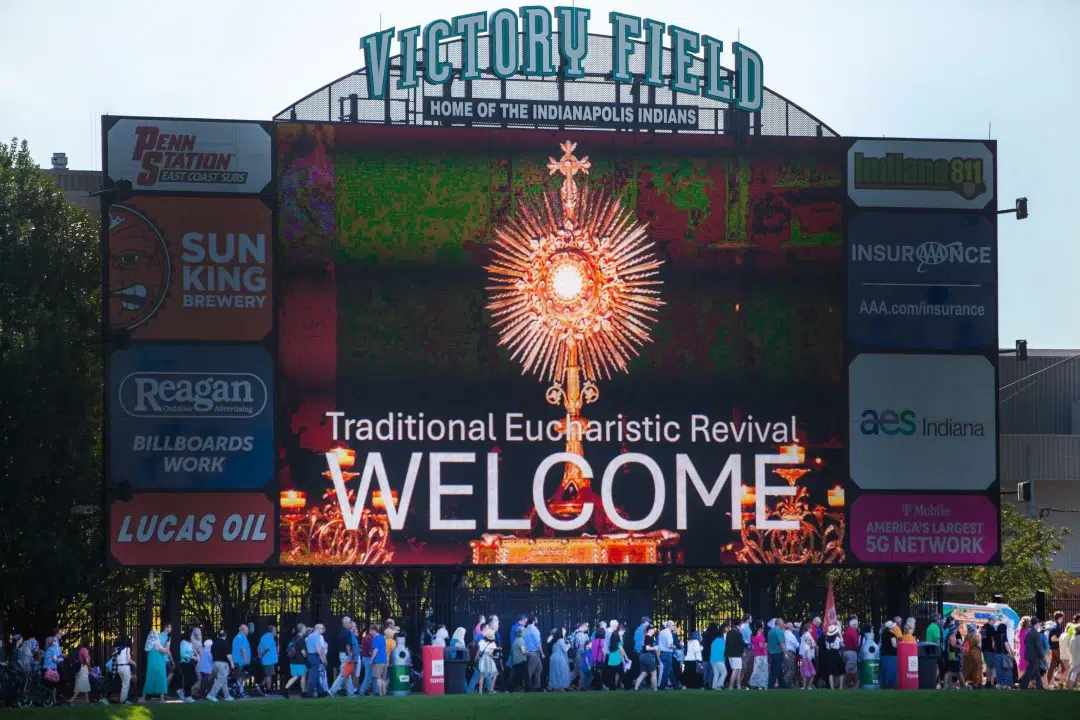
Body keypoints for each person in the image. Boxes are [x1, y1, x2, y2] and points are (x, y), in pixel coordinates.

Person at [142, 624, 170, 702]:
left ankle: (143, 698)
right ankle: (161, 699)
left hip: (151, 665)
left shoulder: (148, 647)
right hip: (160, 664)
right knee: (161, 680)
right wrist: (168, 645)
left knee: (149, 680)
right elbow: (166, 652)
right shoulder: (157, 645)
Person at [1019, 618, 1045, 689]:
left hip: (1029, 654)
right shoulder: (1036, 633)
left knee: (1036, 672)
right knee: (1030, 671)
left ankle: (1039, 686)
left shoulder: (1029, 632)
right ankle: (1023, 685)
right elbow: (1039, 646)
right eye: (1039, 623)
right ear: (1036, 624)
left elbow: (1025, 642)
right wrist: (1042, 656)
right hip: (1035, 655)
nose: (1039, 625)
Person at [178, 628, 200, 702]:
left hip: (191, 664)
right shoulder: (183, 642)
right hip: (185, 663)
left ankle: (183, 692)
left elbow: (193, 652)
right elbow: (182, 654)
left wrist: (196, 656)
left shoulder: (190, 643)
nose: (193, 636)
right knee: (188, 680)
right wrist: (192, 657)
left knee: (193, 679)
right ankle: (188, 696)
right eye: (192, 634)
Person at [634, 625, 659, 691]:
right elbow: (647, 648)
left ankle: (635, 688)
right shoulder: (649, 638)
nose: (654, 630)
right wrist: (655, 648)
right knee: (654, 673)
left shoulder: (644, 637)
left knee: (643, 673)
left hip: (642, 656)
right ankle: (655, 689)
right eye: (653, 629)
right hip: (648, 656)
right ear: (650, 630)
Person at [476, 627, 499, 694]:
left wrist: (476, 659)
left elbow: (478, 652)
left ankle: (480, 691)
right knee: (494, 675)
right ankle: (491, 689)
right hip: (490, 660)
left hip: (482, 659)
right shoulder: (493, 644)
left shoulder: (481, 642)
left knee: (482, 676)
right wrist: (495, 656)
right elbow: (492, 654)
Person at [767, 617, 787, 690]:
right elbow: (781, 643)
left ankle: (783, 685)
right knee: (776, 670)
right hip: (778, 653)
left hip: (771, 653)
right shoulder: (779, 631)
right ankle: (770, 685)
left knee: (778, 670)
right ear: (779, 624)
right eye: (782, 623)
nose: (784, 624)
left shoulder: (770, 631)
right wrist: (785, 653)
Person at [258, 625, 279, 695]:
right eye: (275, 630)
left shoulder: (265, 636)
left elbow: (259, 646)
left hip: (269, 659)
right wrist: (261, 655)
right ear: (272, 631)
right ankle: (268, 690)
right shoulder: (269, 637)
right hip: (268, 660)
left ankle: (261, 686)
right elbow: (267, 648)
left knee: (269, 675)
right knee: (268, 675)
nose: (276, 631)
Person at [725, 618, 746, 689]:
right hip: (736, 654)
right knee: (735, 670)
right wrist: (742, 652)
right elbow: (741, 644)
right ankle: (731, 686)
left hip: (730, 654)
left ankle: (738, 686)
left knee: (738, 669)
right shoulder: (738, 633)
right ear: (739, 623)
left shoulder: (729, 632)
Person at [115, 636, 136, 704]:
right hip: (125, 667)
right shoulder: (127, 649)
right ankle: (123, 700)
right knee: (126, 685)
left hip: (119, 668)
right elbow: (128, 660)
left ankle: (125, 699)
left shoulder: (117, 649)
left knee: (124, 684)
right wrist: (134, 663)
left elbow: (116, 660)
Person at [1047, 612, 1066, 686]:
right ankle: (1061, 680)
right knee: (1064, 667)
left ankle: (1048, 683)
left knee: (1052, 667)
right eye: (1062, 618)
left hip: (1052, 648)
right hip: (1056, 649)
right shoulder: (1057, 626)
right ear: (1060, 618)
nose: (1062, 620)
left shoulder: (1053, 625)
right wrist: (1061, 639)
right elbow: (1053, 638)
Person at [748, 623, 768, 689]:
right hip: (762, 654)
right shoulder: (760, 635)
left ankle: (754, 683)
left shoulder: (752, 635)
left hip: (757, 654)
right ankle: (761, 684)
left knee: (756, 669)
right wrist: (766, 645)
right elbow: (761, 646)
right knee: (762, 670)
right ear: (760, 627)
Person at [371, 627, 389, 697]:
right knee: (383, 678)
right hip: (384, 660)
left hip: (378, 660)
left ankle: (380, 693)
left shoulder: (375, 639)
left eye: (371, 630)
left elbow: (376, 650)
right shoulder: (382, 638)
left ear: (374, 630)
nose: (370, 632)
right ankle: (384, 692)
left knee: (378, 677)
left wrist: (371, 659)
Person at [710, 622, 728, 690]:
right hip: (719, 660)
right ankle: (719, 685)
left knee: (716, 674)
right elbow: (723, 651)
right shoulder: (722, 641)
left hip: (712, 660)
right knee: (724, 672)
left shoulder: (714, 641)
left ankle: (714, 686)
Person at [799, 622, 817, 690]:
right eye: (811, 628)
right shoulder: (808, 635)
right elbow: (813, 644)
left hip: (805, 657)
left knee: (806, 673)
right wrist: (812, 645)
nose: (812, 629)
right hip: (808, 657)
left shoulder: (804, 635)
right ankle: (808, 686)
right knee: (810, 673)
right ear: (808, 628)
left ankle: (805, 686)